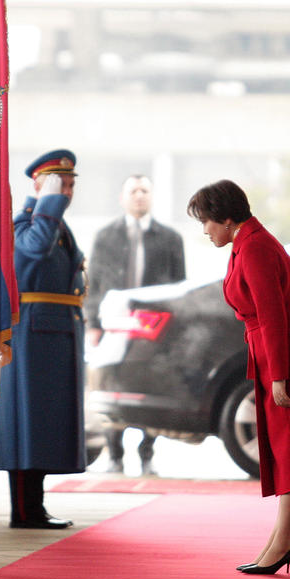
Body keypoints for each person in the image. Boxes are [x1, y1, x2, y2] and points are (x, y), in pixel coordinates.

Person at [186, 179, 290, 575]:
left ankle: (280, 545)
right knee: (288, 450)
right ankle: (278, 542)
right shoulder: (246, 243)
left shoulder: (257, 247)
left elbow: (274, 315)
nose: (205, 230)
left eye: (207, 222)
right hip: (276, 351)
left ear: (228, 219)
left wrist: (279, 375)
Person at [0, 149, 86, 529]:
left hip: (54, 332)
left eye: (70, 184)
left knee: (46, 423)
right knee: (28, 422)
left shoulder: (55, 222)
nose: (67, 191)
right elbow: (32, 250)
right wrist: (46, 201)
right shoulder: (26, 222)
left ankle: (35, 505)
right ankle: (24, 509)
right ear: (40, 184)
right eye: (60, 183)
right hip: (31, 334)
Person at [85, 175, 185, 474]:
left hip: (152, 326)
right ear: (122, 197)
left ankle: (147, 454)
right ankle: (114, 454)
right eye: (133, 191)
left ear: (152, 197)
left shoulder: (169, 238)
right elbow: (94, 283)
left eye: (144, 191)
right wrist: (93, 323)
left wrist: (174, 328)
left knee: (149, 387)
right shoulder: (106, 236)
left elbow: (180, 286)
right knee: (113, 386)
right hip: (113, 325)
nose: (139, 196)